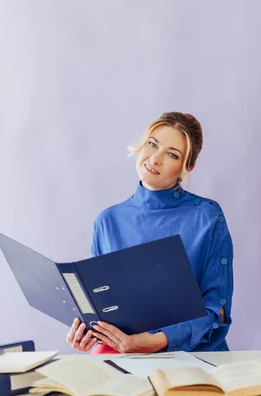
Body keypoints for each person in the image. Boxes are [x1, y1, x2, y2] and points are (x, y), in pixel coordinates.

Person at [65, 112, 234, 354]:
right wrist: (87, 330)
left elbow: (216, 309)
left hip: (193, 358)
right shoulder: (108, 221)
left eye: (172, 154)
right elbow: (104, 304)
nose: (155, 159)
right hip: (124, 358)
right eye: (152, 144)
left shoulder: (207, 217)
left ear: (186, 168)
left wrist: (154, 341)